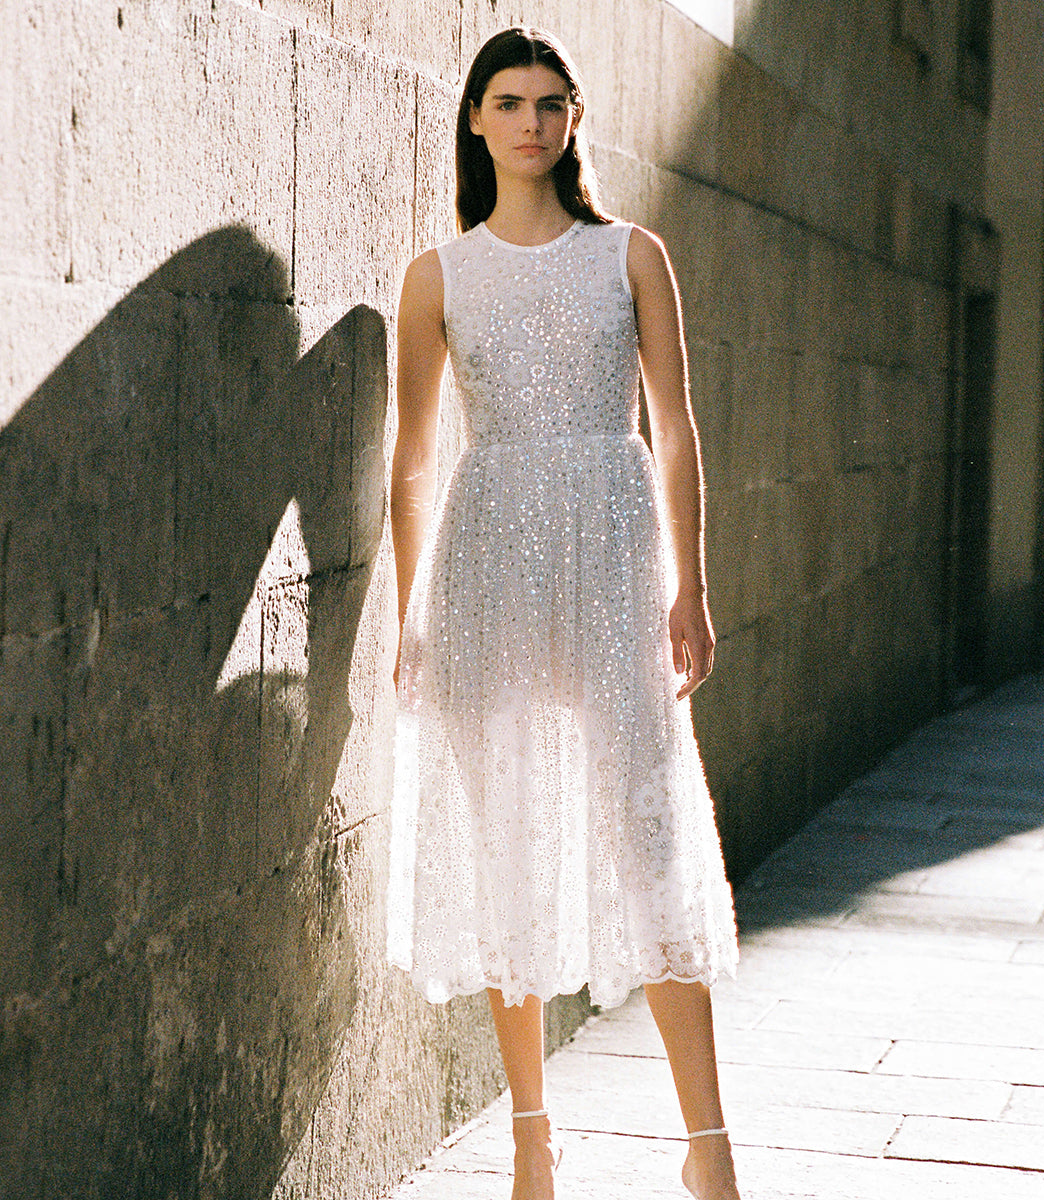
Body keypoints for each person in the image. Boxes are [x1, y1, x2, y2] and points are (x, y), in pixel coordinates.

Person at [388, 26, 741, 1200]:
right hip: (489, 568)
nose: (530, 121)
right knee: (509, 846)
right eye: (508, 101)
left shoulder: (632, 255)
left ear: (575, 118)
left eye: (549, 103)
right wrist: (411, 614)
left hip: (614, 561)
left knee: (650, 832)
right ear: (475, 120)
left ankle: (709, 1149)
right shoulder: (438, 277)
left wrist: (691, 585)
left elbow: (675, 429)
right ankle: (533, 1141)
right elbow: (412, 462)